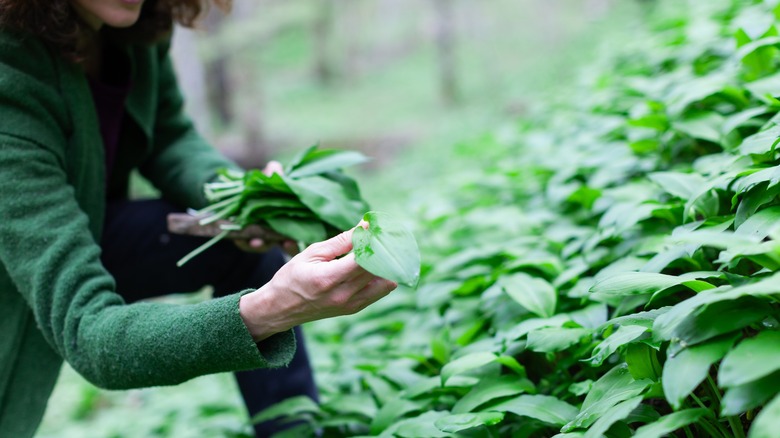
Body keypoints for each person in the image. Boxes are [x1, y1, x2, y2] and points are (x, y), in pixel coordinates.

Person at [0, 0, 398, 437]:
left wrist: (237, 198)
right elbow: (91, 334)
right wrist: (267, 311)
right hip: (26, 254)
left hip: (87, 224)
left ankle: (295, 431)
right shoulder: (10, 78)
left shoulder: (127, 24)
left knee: (245, 249)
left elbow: (167, 133)